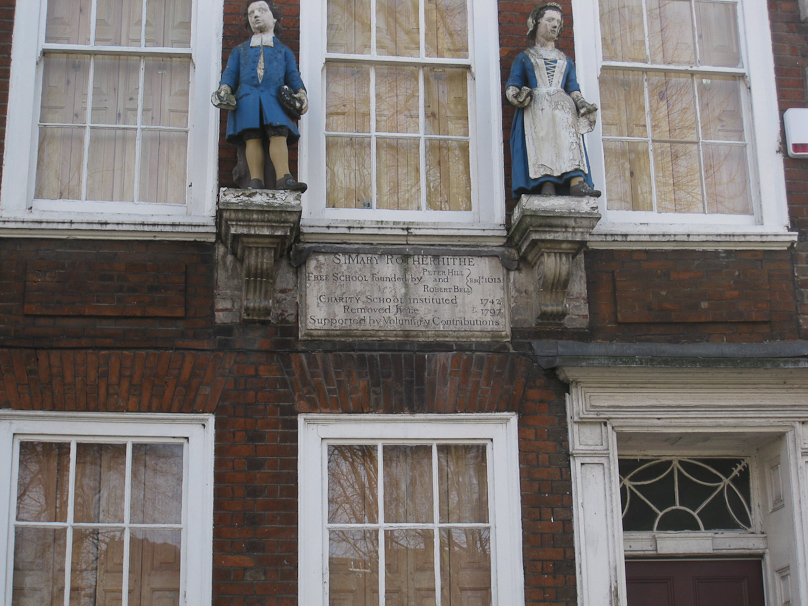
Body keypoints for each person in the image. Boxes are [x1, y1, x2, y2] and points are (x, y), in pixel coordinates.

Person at [506, 3, 600, 197]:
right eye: (549, 20)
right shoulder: (525, 58)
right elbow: (513, 85)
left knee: (570, 143)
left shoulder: (566, 60)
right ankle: (546, 183)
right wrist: (517, 96)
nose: (555, 25)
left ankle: (576, 182)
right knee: (543, 144)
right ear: (536, 24)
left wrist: (582, 104)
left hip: (564, 108)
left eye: (558, 22)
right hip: (537, 107)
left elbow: (573, 88)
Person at [212, 0, 308, 191]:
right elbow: (230, 74)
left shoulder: (284, 51)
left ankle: (284, 177)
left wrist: (301, 93)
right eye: (251, 13)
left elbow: (293, 76)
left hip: (275, 98)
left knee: (278, 133)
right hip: (247, 98)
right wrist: (224, 89)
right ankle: (255, 180)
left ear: (274, 18)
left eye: (261, 11)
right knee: (252, 136)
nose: (256, 15)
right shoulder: (239, 51)